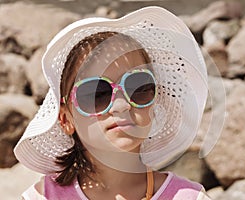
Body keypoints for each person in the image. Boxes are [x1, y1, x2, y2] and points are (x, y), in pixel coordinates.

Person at [14, 6, 210, 200]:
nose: (121, 105)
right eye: (96, 94)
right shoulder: (43, 197)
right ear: (66, 119)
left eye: (138, 88)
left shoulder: (188, 197)